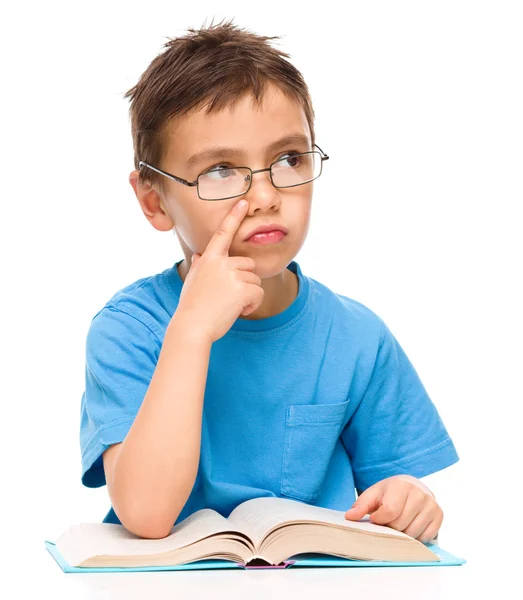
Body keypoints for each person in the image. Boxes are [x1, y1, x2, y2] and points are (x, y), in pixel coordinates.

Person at [80, 18, 459, 541]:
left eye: (287, 158)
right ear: (153, 200)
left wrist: (408, 499)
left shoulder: (357, 337)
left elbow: (392, 493)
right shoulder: (128, 330)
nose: (265, 196)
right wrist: (190, 332)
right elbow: (144, 515)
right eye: (220, 170)